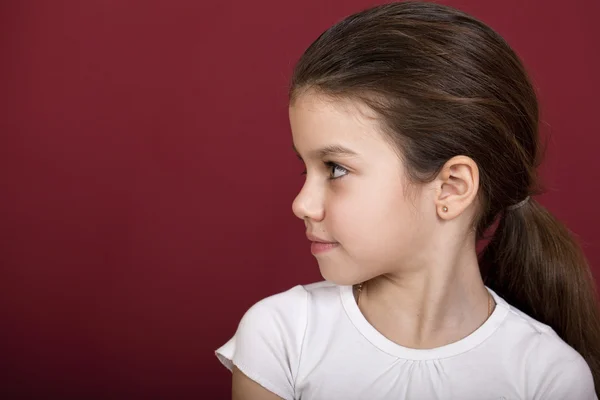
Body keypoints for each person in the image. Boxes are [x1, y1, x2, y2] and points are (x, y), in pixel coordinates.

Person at [215, 1, 600, 399]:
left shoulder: (548, 378)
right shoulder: (283, 336)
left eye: (336, 168)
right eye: (306, 168)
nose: (302, 204)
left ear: (451, 187)